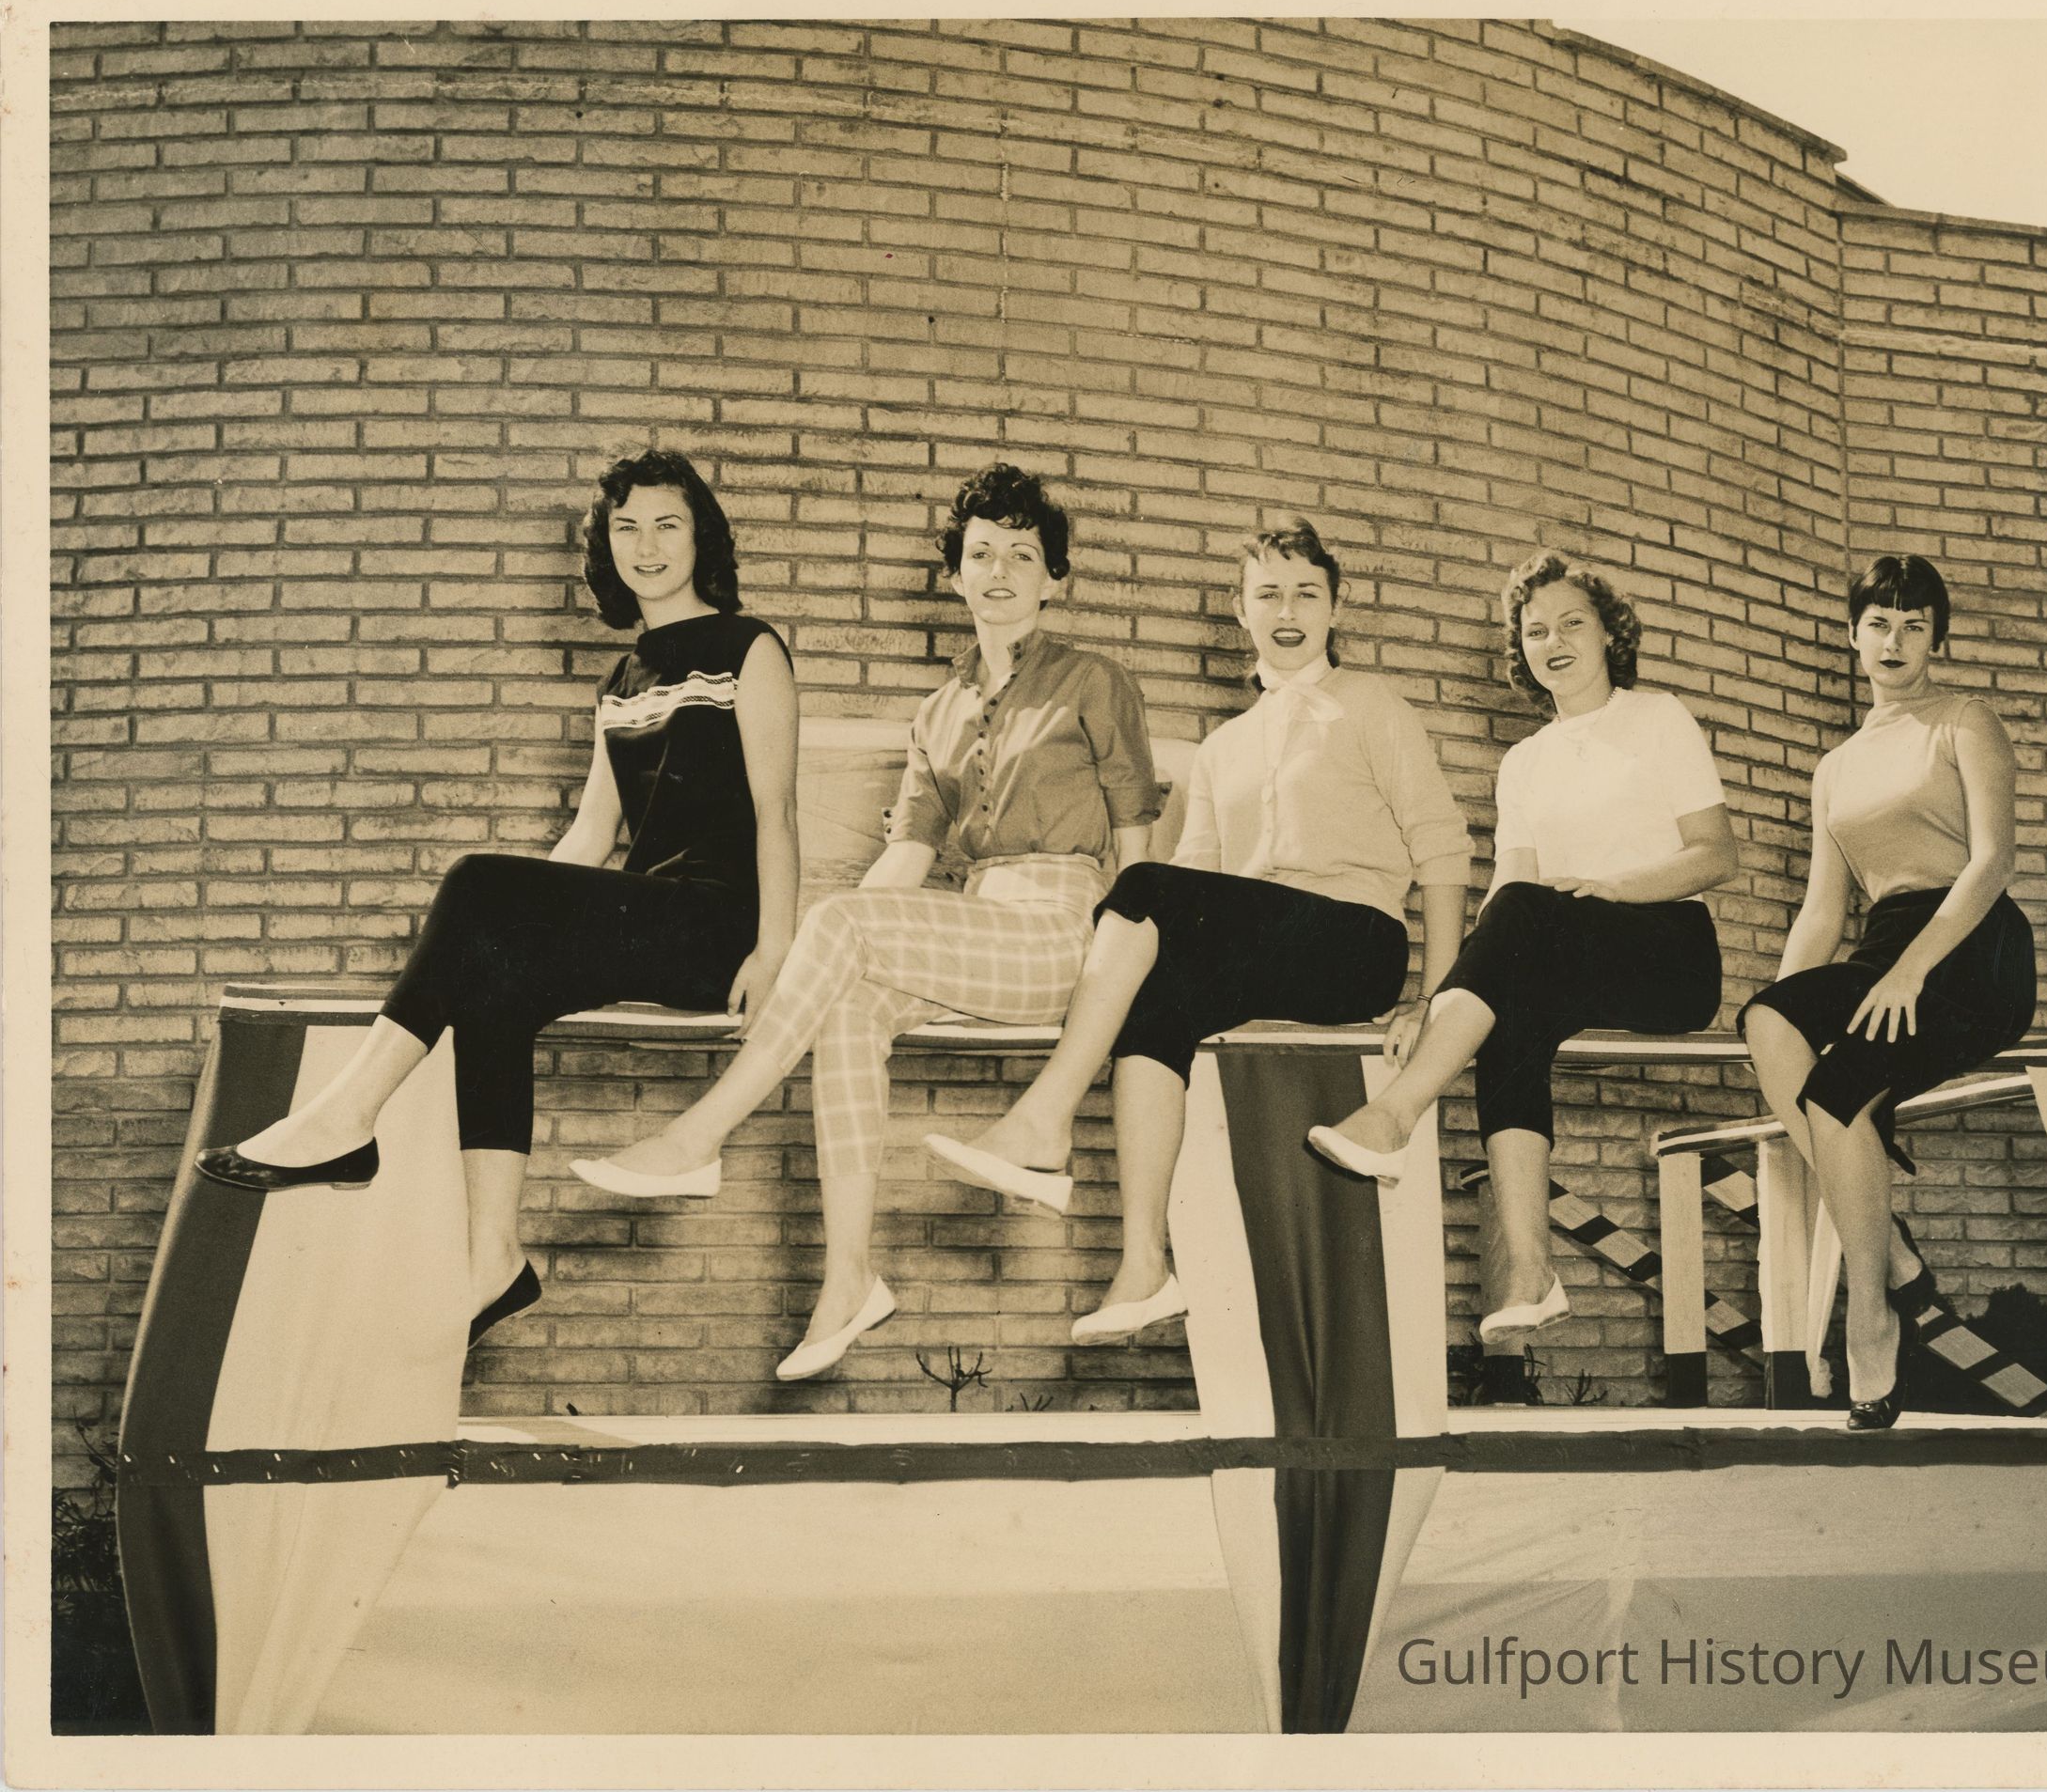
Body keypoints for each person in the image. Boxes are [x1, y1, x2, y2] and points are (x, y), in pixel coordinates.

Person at [194, 449, 802, 1349]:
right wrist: (508, 929)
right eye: (626, 528)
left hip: (720, 926)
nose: (646, 546)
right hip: (650, 918)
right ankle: (495, 1262)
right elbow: (590, 838)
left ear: (701, 538)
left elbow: (777, 812)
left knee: (479, 883)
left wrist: (776, 949)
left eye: (667, 524)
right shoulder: (620, 683)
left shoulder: (750, 648)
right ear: (607, 548)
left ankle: (348, 1116)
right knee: (493, 981)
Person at [570, 463, 1163, 1380]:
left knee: (845, 926)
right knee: (849, 1000)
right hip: (978, 935)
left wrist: (1119, 990)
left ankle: (701, 1132)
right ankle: (849, 1278)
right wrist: (830, 950)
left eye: (1022, 555)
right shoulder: (939, 713)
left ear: (1056, 579)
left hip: (1066, 934)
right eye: (981, 554)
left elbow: (1139, 857)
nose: (1000, 571)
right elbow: (905, 865)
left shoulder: (1095, 680)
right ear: (955, 577)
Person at [926, 520, 1473, 1343]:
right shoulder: (1223, 747)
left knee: (1145, 886)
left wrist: (1434, 998)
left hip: (1355, 944)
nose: (1286, 612)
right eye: (1267, 595)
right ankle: (1144, 1267)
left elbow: (1443, 850)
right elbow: (1197, 883)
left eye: (1306, 594)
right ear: (1240, 611)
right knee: (1157, 1004)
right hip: (1265, 947)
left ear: (1335, 607)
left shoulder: (1372, 704)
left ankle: (1044, 1117)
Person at [1305, 552, 1739, 1399]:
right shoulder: (1524, 761)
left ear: (1610, 634)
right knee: (1507, 1007)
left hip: (1668, 950)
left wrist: (1614, 887)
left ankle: (1396, 1113)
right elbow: (1507, 900)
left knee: (1527, 916)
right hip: (1566, 946)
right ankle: (1532, 1274)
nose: (1554, 641)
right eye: (1536, 631)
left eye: (1572, 622)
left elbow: (1717, 854)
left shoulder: (1657, 717)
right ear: (1522, 651)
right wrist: (1436, 1000)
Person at [1737, 553, 2032, 1430]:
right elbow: (1822, 910)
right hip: (1883, 947)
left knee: (1836, 1095)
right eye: (1878, 623)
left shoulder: (1965, 721)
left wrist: (1915, 969)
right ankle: (1892, 1248)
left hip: (1972, 946)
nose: (1894, 640)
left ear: (1937, 638)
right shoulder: (1836, 767)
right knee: (1766, 1017)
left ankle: (1870, 1316)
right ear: (1852, 636)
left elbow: (1994, 861)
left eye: (1913, 624)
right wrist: (1779, 1027)